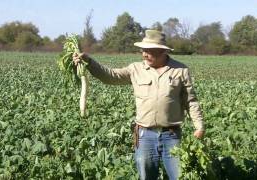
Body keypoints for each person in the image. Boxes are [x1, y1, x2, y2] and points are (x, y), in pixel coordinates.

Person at [73, 29, 205, 180]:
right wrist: (89, 62)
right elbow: (110, 76)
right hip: (144, 135)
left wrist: (199, 126)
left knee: (179, 176)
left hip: (171, 135)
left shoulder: (180, 70)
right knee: (146, 177)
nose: (144, 54)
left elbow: (191, 101)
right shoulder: (135, 69)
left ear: (162, 51)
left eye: (149, 51)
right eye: (143, 50)